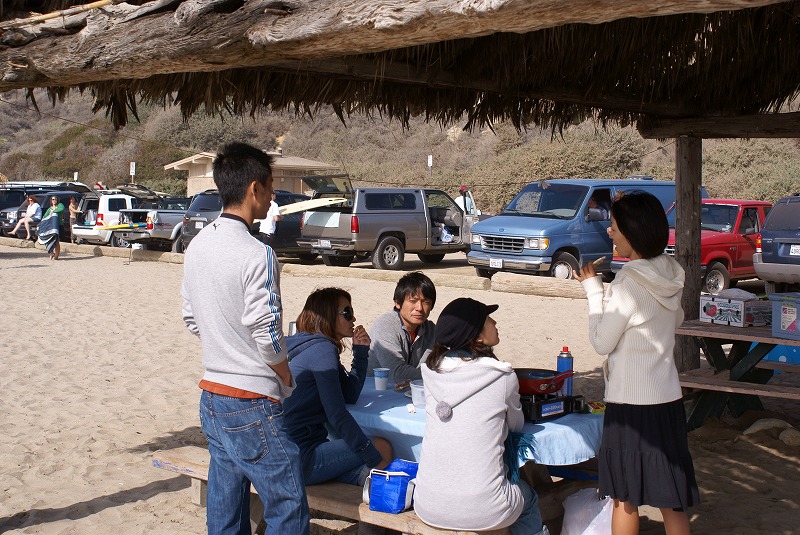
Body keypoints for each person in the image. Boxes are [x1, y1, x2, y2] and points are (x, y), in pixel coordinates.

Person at [181, 142, 310, 535]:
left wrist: (224, 343)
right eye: (270, 188)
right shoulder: (257, 253)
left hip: (212, 395)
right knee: (288, 505)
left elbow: (191, 318)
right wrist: (285, 375)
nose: (272, 198)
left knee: (226, 505)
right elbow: (267, 333)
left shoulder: (198, 244)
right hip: (251, 400)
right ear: (255, 188)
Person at [573, 191, 699, 535]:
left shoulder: (627, 285)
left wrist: (593, 291)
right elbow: (675, 320)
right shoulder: (671, 276)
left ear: (633, 232)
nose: (610, 232)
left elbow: (601, 342)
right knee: (672, 498)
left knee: (624, 497)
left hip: (631, 407)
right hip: (668, 402)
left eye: (615, 227)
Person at [413, 297, 547, 535]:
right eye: (488, 319)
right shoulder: (501, 376)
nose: (495, 323)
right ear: (476, 337)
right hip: (486, 508)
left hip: (427, 504)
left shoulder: (431, 373)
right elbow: (516, 426)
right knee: (529, 499)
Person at [283, 287, 393, 487]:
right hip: (300, 457)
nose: (354, 318)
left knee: (361, 467)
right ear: (327, 316)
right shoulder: (322, 350)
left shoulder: (313, 346)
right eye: (347, 313)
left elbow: (350, 394)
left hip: (286, 453)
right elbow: (337, 414)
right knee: (381, 447)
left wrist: (360, 353)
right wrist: (373, 457)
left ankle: (364, 480)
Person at [367, 271, 436, 383]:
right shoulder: (385, 325)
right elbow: (396, 373)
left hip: (411, 388)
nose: (419, 308)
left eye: (425, 302)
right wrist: (437, 375)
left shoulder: (431, 330)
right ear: (397, 303)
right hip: (375, 389)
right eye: (413, 301)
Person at [39, 196, 65, 260]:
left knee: (57, 241)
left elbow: (61, 209)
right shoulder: (49, 209)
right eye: (53, 199)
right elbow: (45, 216)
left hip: (58, 225)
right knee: (49, 240)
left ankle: (56, 256)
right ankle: (51, 253)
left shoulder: (60, 205)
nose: (54, 200)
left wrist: (53, 211)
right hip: (50, 227)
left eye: (55, 199)